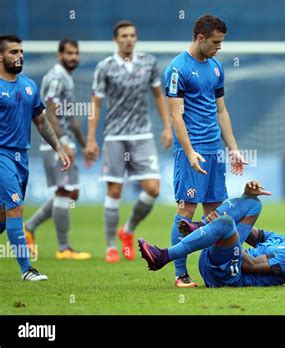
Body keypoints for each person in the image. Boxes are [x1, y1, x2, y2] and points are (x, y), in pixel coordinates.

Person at [163, 14, 246, 287]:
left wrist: (232, 148)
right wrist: (188, 152)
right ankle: (179, 273)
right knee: (186, 210)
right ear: (200, 38)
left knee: (214, 213)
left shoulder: (216, 68)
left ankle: (214, 270)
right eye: (215, 42)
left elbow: (221, 110)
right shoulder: (177, 69)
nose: (218, 48)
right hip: (192, 151)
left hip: (214, 152)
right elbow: (175, 116)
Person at [138, 181, 285, 287]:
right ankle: (201, 226)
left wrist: (225, 233)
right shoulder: (282, 240)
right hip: (221, 261)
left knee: (226, 223)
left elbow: (250, 265)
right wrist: (246, 195)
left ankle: (163, 256)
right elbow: (249, 230)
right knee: (253, 204)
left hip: (229, 275)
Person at [84, 20, 172, 263]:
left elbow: (158, 95)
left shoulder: (148, 62)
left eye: (132, 35)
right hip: (115, 135)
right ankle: (111, 246)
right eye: (124, 35)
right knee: (114, 190)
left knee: (153, 189)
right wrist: (91, 138)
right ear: (116, 39)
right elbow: (96, 103)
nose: (129, 39)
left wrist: (167, 126)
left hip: (142, 134)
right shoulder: (105, 67)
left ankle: (128, 229)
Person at [0, 35, 70, 281]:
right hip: (2, 156)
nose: (19, 56)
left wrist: (58, 148)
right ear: (1, 56)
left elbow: (40, 121)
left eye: (21, 51)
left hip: (21, 157)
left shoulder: (29, 85)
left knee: (3, 216)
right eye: (13, 52)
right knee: (16, 209)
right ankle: (27, 270)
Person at [24, 39, 91, 260]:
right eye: (69, 53)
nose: (73, 57)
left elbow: (70, 119)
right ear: (59, 55)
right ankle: (64, 249)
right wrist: (61, 144)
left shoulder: (67, 79)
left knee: (72, 192)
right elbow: (49, 112)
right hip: (55, 144)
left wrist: (84, 145)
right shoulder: (55, 77)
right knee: (64, 192)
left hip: (66, 142)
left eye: (76, 53)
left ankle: (29, 227)